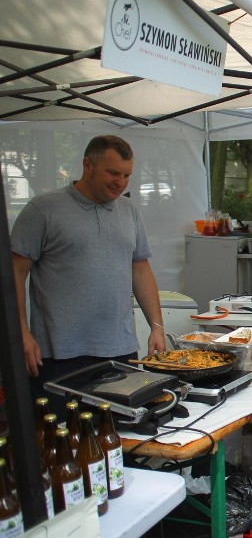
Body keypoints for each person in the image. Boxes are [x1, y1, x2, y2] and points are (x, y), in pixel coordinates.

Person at [10, 135, 166, 414]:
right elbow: (13, 273)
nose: (121, 182)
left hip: (120, 351)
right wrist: (20, 332)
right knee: (62, 443)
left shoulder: (129, 210)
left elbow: (140, 269)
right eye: (113, 173)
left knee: (119, 439)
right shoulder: (44, 209)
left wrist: (157, 326)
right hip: (60, 356)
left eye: (127, 175)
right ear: (87, 165)